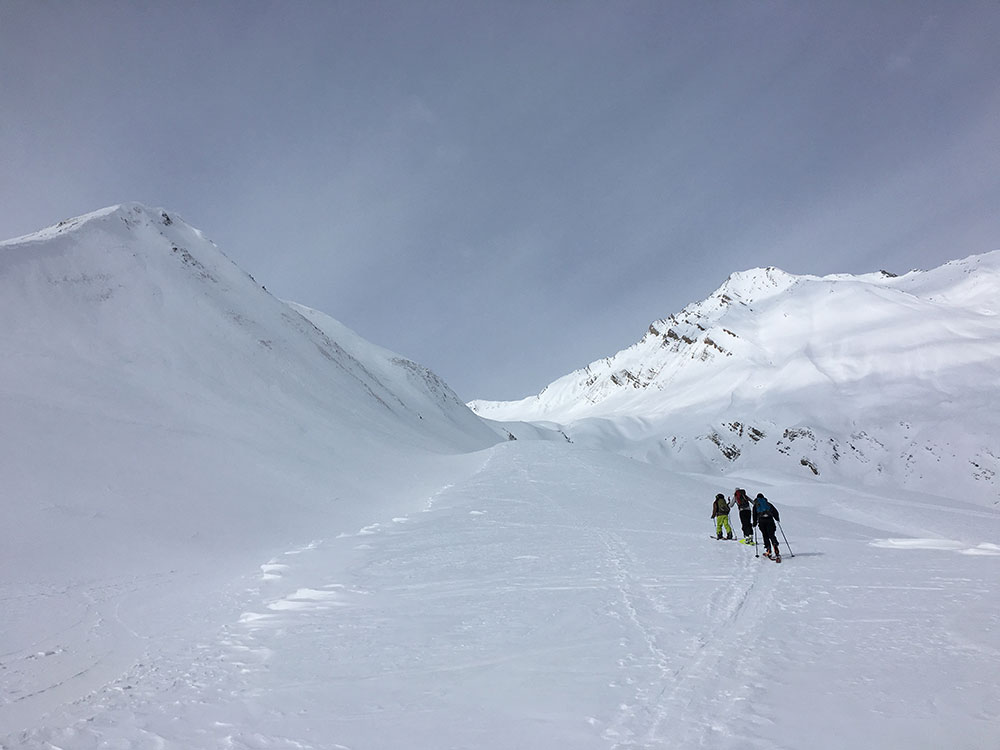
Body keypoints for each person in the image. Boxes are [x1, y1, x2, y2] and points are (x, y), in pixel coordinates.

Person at [752, 493, 781, 560]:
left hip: (762, 521)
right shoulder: (768, 504)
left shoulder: (756, 505)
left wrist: (754, 523)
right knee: (771, 534)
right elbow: (775, 511)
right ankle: (775, 545)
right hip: (770, 520)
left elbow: (754, 514)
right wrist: (777, 518)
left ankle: (768, 550)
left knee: (765, 535)